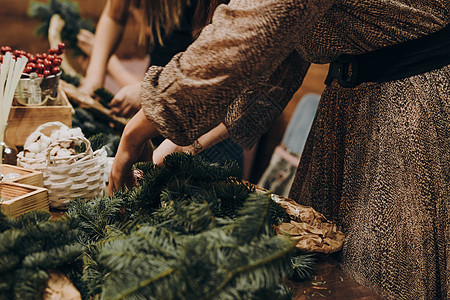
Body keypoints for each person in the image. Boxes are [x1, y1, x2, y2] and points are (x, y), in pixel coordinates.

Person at [108, 0, 450, 299]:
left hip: (405, 111)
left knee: (376, 275)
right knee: (315, 267)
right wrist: (181, 143)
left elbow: (250, 30)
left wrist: (140, 128)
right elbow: (275, 68)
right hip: (350, 109)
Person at [78, 0, 243, 168]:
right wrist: (94, 77)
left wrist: (155, 92)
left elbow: (236, 76)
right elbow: (115, 14)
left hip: (213, 129)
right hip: (158, 116)